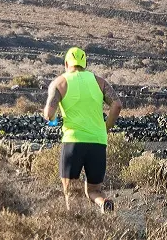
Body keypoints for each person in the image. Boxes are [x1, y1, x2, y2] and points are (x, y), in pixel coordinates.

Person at [43, 47, 122, 213]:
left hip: (73, 142)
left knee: (71, 192)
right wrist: (106, 127)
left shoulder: (60, 83)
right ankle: (104, 203)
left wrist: (51, 116)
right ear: (85, 63)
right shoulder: (100, 82)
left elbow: (49, 114)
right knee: (94, 190)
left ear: (66, 63)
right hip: (98, 142)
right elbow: (117, 104)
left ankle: (76, 228)